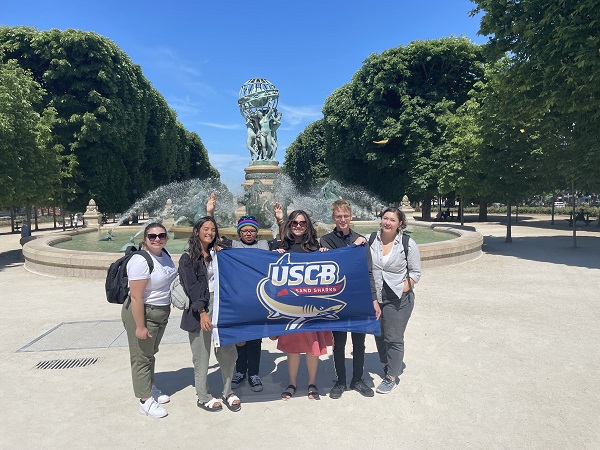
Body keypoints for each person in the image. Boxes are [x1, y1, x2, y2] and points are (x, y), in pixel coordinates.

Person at [179, 216, 241, 412]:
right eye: (206, 229)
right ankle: (203, 395)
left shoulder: (220, 253)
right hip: (201, 309)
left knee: (228, 352)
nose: (210, 233)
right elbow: (192, 287)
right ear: (197, 231)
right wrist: (202, 312)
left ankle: (228, 391)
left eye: (213, 229)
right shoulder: (188, 257)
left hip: (222, 306)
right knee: (202, 355)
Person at [272, 210, 332, 401]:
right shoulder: (282, 248)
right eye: (295, 223)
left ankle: (312, 383)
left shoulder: (316, 248)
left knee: (312, 347)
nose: (298, 226)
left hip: (311, 306)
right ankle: (292, 384)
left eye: (302, 223)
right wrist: (275, 256)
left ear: (308, 226)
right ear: (289, 225)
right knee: (292, 348)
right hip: (290, 307)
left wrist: (325, 254)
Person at [121, 222, 177, 418]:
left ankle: (149, 386)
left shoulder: (165, 255)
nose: (157, 239)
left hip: (160, 313)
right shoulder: (140, 260)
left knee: (150, 353)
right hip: (142, 312)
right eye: (152, 236)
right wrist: (140, 326)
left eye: (161, 235)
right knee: (141, 357)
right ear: (145, 239)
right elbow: (136, 297)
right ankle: (145, 400)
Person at [319, 199, 374, 399]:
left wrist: (374, 300)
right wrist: (322, 255)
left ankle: (357, 379)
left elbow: (368, 272)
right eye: (338, 216)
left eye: (345, 216)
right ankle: (341, 381)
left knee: (359, 342)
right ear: (333, 218)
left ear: (351, 217)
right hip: (337, 299)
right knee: (339, 342)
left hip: (359, 298)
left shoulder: (361, 240)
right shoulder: (326, 241)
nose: (342, 219)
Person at [368, 207, 421, 394]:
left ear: (400, 223)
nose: (387, 222)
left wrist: (404, 287)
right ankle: (385, 364)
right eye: (385, 218)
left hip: (398, 298)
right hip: (376, 296)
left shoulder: (407, 243)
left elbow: (415, 272)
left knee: (394, 337)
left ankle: (391, 376)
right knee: (379, 333)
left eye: (392, 219)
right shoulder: (370, 239)